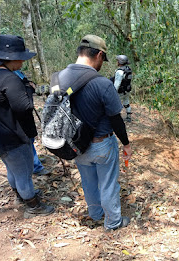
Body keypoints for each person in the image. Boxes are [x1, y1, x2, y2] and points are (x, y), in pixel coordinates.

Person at [53, 34, 132, 231]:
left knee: (88, 182)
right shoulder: (102, 84)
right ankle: (113, 222)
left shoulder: (58, 78)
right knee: (108, 184)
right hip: (102, 144)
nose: (102, 65)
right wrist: (127, 144)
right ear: (98, 55)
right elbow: (116, 120)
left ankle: (96, 214)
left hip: (76, 145)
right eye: (103, 60)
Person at [0, 34, 54, 217]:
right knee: (24, 172)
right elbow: (25, 106)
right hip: (12, 134)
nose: (22, 63)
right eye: (21, 59)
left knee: (12, 168)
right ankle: (33, 206)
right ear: (11, 58)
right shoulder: (8, 78)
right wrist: (29, 89)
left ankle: (21, 196)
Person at [13, 70, 50, 176]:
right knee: (27, 140)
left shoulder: (17, 70)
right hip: (19, 114)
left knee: (30, 139)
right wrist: (29, 88)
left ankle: (34, 160)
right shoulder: (9, 73)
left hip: (26, 114)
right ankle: (35, 166)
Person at [112, 55, 132, 122]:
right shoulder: (128, 69)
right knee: (126, 102)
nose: (117, 62)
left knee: (114, 103)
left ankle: (115, 119)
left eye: (118, 61)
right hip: (127, 90)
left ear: (120, 62)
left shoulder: (119, 71)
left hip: (120, 91)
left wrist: (113, 92)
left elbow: (117, 84)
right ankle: (129, 117)